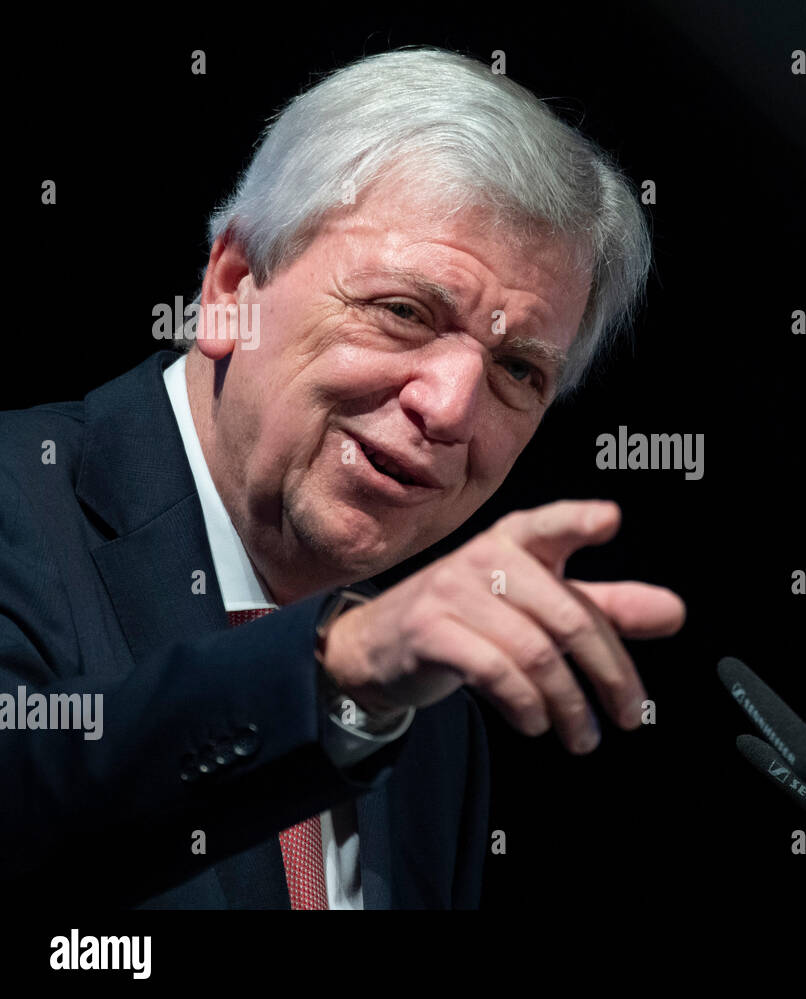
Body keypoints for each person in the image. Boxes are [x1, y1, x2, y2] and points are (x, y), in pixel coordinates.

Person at [0, 47, 685, 909]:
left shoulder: (433, 716)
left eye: (517, 370)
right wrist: (339, 674)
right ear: (231, 289)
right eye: (404, 312)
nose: (451, 407)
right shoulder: (17, 504)